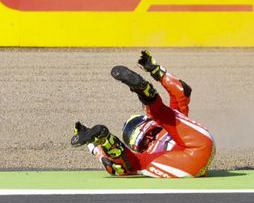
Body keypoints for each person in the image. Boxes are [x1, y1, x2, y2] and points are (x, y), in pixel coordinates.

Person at [71, 51, 215, 178]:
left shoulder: (146, 154)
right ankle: (147, 95)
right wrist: (157, 71)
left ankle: (106, 140)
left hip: (188, 167)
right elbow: (182, 92)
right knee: (166, 115)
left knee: (133, 166)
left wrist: (95, 146)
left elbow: (114, 165)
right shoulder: (167, 127)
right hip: (201, 144)